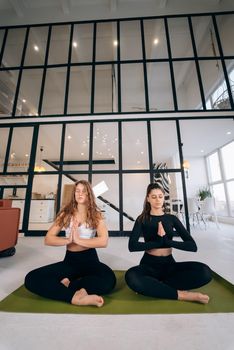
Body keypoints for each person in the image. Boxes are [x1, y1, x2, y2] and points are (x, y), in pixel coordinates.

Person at [25, 180, 116, 307]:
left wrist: (78, 240)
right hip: (70, 261)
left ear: (89, 194)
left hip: (91, 260)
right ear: (74, 194)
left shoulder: (96, 215)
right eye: (77, 191)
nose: (80, 193)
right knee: (31, 278)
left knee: (110, 279)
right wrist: (68, 240)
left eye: (84, 191)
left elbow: (103, 241)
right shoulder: (66, 214)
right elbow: (48, 238)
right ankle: (74, 297)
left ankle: (74, 286)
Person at [125, 183, 212, 304]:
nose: (157, 200)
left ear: (164, 198)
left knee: (205, 272)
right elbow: (132, 246)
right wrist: (157, 242)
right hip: (148, 266)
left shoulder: (172, 219)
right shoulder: (142, 219)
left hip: (169, 265)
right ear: (148, 198)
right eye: (154, 197)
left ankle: (155, 287)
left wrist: (167, 242)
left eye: (160, 196)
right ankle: (182, 295)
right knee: (131, 276)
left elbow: (192, 246)